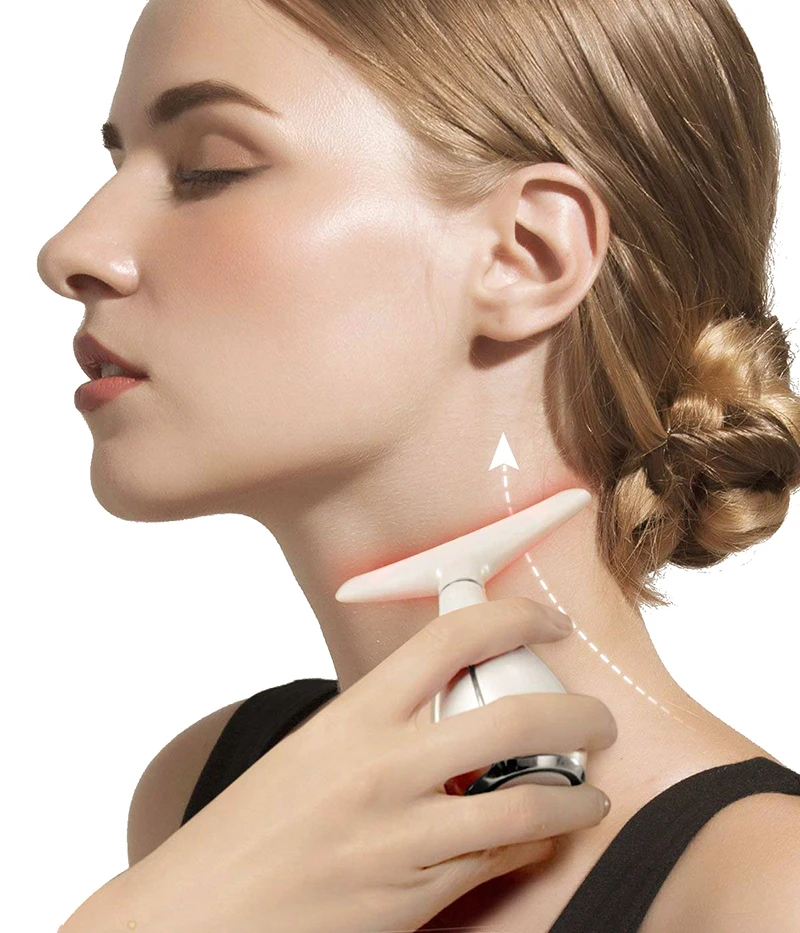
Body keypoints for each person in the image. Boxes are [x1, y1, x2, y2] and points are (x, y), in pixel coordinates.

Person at [38, 0, 800, 929]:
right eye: (117, 164)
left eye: (209, 168)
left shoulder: (766, 893)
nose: (70, 251)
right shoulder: (207, 796)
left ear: (527, 255)